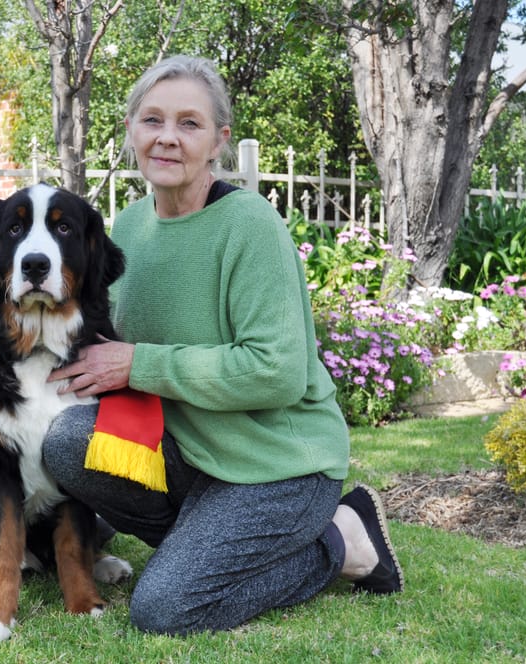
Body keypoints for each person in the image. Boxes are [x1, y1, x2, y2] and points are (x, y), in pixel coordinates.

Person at [43, 55, 404, 634]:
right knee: (64, 443)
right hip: (191, 455)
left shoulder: (249, 226)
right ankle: (206, 547)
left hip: (278, 465)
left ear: (218, 141)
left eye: (189, 124)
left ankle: (343, 537)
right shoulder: (130, 226)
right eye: (153, 120)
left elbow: (277, 372)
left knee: (163, 609)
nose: (167, 138)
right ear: (132, 129)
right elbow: (104, 338)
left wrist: (139, 363)